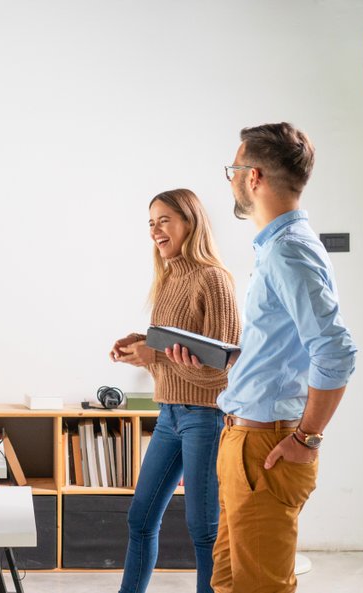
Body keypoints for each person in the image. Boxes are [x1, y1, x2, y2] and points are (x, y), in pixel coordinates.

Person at [209, 123, 357, 593]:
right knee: (229, 581)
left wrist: (307, 437)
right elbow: (281, 348)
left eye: (233, 169)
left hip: (266, 448)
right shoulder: (277, 247)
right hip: (244, 439)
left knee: (260, 588)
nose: (230, 179)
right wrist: (222, 359)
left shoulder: (288, 251)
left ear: (253, 177)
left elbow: (335, 350)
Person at [110, 189, 241, 593]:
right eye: (151, 223)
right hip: (168, 415)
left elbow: (224, 372)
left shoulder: (214, 280)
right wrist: (139, 343)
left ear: (191, 221)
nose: (155, 231)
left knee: (203, 531)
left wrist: (156, 355)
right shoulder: (169, 278)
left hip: (205, 416)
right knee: (140, 519)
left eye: (164, 220)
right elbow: (173, 342)